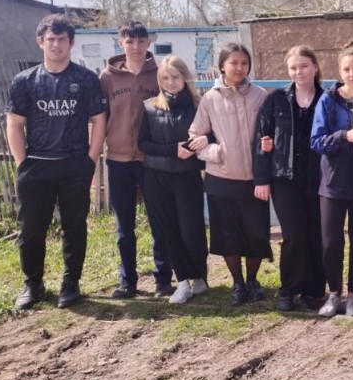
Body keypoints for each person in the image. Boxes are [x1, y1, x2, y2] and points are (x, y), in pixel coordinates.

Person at [8, 13, 107, 309]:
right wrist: (22, 164)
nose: (56, 45)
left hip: (75, 163)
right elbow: (14, 124)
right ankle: (32, 284)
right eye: (50, 39)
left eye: (61, 40)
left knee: (75, 227)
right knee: (31, 229)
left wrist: (90, 159)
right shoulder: (25, 81)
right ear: (41, 42)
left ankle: (70, 283)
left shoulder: (85, 79)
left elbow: (100, 120)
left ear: (71, 43)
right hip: (36, 164)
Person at [188, 43, 272, 306]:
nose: (239, 67)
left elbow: (270, 132)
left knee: (256, 234)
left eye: (244, 63)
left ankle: (253, 280)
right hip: (221, 179)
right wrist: (218, 152)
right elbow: (195, 137)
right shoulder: (210, 99)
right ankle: (237, 283)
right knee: (228, 236)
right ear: (222, 65)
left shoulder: (260, 95)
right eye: (233, 62)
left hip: (253, 180)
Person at [99, 21, 173, 299]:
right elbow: (98, 118)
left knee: (159, 220)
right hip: (118, 159)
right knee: (124, 226)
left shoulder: (160, 73)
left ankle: (163, 279)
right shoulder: (107, 78)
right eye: (130, 42)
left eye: (141, 42)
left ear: (148, 43)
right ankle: (127, 281)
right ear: (121, 43)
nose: (136, 47)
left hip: (151, 158)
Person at [254, 46, 325, 312]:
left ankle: (315, 291)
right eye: (294, 67)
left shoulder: (326, 99)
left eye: (304, 66)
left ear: (315, 67)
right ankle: (288, 289)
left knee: (317, 235)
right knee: (294, 235)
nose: (299, 72)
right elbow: (262, 141)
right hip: (285, 179)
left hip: (319, 179)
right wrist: (261, 178)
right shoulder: (276, 100)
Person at [138, 56, 208, 305]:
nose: (170, 82)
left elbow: (208, 136)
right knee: (168, 230)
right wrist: (172, 149)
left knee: (192, 230)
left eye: (175, 77)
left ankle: (200, 276)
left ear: (185, 77)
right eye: (165, 78)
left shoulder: (199, 105)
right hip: (156, 176)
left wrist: (201, 145)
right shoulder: (149, 106)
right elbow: (143, 143)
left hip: (187, 176)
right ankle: (182, 282)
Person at [309, 45, 353, 318]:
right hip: (333, 183)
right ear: (339, 72)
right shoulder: (328, 100)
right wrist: (345, 136)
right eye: (346, 69)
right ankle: (333, 293)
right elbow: (316, 141)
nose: (352, 73)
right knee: (330, 242)